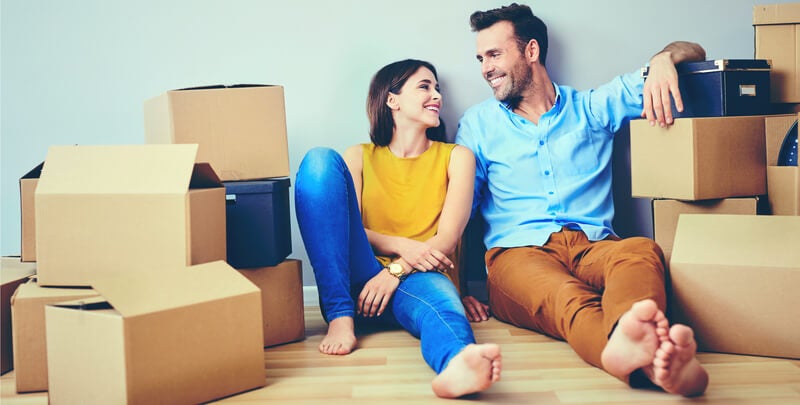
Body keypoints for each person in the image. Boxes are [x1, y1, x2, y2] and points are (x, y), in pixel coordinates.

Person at [455, 3, 709, 397]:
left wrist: (662, 59)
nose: (485, 68)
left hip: (593, 245)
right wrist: (454, 285)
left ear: (531, 51)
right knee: (566, 298)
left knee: (641, 250)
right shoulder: (477, 124)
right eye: (480, 58)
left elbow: (692, 49)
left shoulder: (591, 108)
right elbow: (460, 209)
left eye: (494, 54)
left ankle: (641, 349)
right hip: (516, 255)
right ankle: (651, 365)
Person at [294, 59, 502, 398]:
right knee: (318, 160)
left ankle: (457, 364)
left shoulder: (457, 157)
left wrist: (396, 271)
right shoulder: (359, 156)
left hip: (420, 276)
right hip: (359, 278)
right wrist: (405, 247)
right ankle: (340, 316)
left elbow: (446, 239)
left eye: (437, 89)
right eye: (425, 86)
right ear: (392, 100)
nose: (436, 95)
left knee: (444, 308)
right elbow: (349, 229)